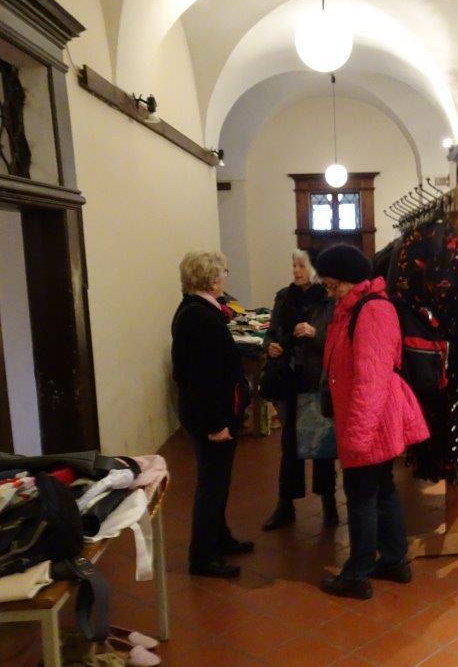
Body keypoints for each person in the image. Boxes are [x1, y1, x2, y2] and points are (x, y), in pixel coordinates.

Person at [316, 243, 429, 600]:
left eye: (333, 284)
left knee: (362, 495)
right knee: (381, 489)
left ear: (350, 279)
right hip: (365, 417)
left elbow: (371, 380)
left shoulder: (372, 311)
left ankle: (358, 573)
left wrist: (358, 435)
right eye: (327, 285)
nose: (330, 291)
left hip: (368, 420)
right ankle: (395, 560)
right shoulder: (352, 308)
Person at [171, 250, 252, 578]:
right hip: (210, 418)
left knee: (219, 481)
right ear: (211, 279)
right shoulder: (199, 317)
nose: (225, 277)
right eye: (223, 272)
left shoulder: (198, 310)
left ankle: (220, 537)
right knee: (212, 485)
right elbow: (204, 378)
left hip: (209, 414)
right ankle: (202, 557)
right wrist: (217, 423)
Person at [262, 250, 338, 530]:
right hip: (289, 378)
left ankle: (329, 504)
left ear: (313, 269)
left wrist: (315, 333)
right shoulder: (284, 296)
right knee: (289, 445)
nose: (296, 270)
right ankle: (285, 506)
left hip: (314, 379)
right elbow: (271, 332)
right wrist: (269, 346)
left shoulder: (327, 299)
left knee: (322, 444)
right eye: (293, 265)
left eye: (301, 265)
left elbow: (337, 339)